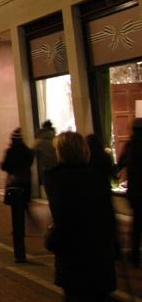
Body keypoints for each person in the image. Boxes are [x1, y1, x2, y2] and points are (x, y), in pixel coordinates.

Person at [45, 131, 117, 300]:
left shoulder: (56, 178)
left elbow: (62, 218)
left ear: (61, 152)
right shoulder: (97, 177)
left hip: (73, 256)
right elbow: (108, 215)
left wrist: (53, 239)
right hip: (100, 252)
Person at [0, 127, 36, 263]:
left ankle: (19, 253)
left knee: (16, 217)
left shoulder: (10, 151)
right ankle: (30, 223)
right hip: (25, 185)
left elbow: (4, 166)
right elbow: (31, 161)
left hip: (14, 187)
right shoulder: (27, 151)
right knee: (25, 206)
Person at [118, 118, 142, 267]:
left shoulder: (130, 145)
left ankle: (134, 255)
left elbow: (121, 164)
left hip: (135, 191)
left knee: (137, 224)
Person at [33, 120, 56, 197]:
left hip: (45, 167)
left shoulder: (39, 141)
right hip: (57, 167)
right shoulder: (56, 139)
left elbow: (32, 153)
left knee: (49, 191)